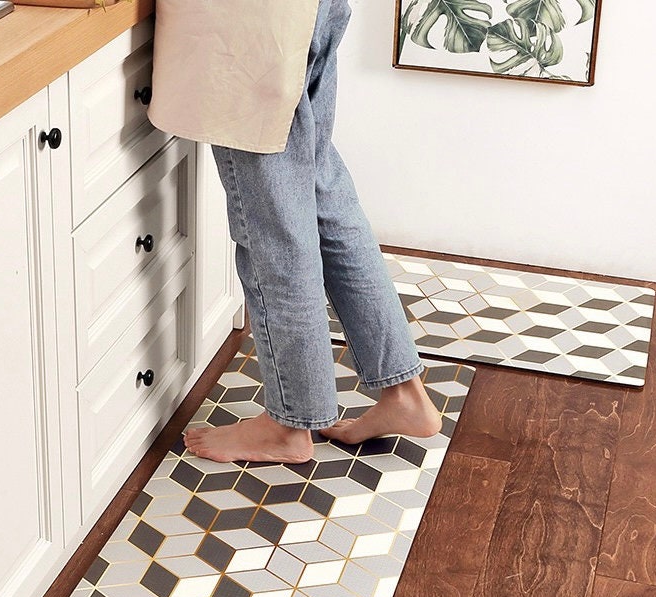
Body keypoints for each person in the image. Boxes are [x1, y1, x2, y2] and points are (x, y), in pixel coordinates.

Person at [147, 0, 441, 464]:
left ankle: (288, 427)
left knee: (275, 231)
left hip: (250, 24)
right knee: (323, 194)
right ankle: (404, 394)